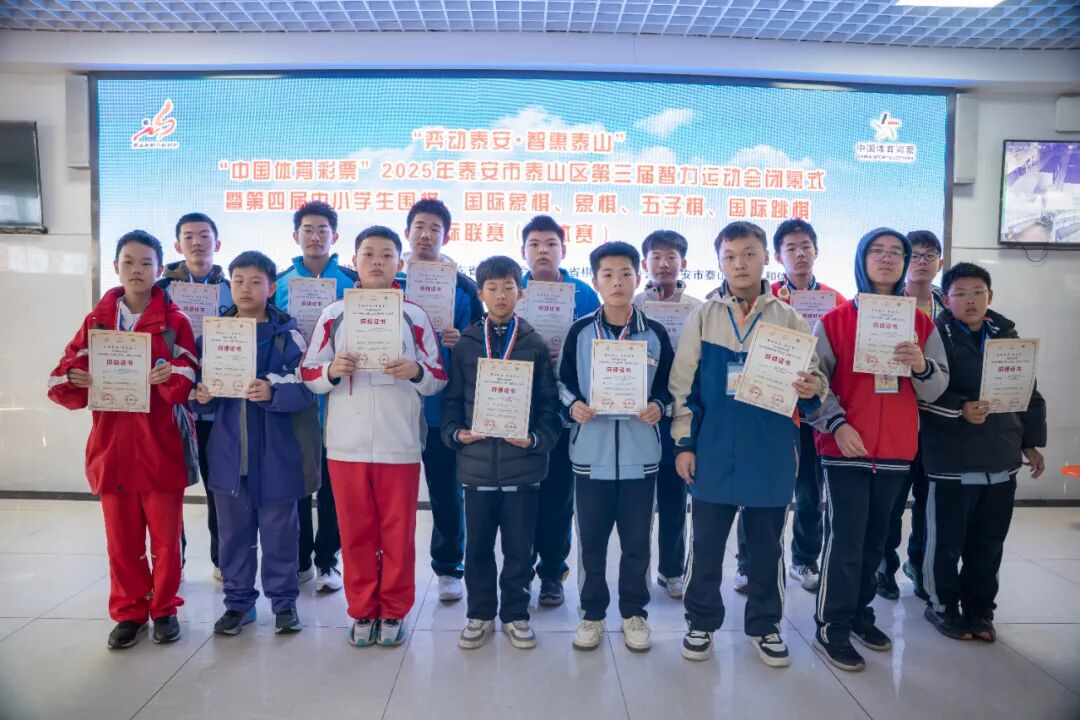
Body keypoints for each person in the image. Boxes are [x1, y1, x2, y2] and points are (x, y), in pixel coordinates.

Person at [669, 221, 827, 666]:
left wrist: (812, 386)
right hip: (713, 450)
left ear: (766, 259)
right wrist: (684, 444)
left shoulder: (789, 318)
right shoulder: (703, 317)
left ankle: (765, 624)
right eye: (730, 256)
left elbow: (815, 383)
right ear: (719, 262)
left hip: (770, 451)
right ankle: (701, 621)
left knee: (766, 547)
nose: (739, 264)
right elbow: (683, 388)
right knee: (706, 546)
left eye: (749, 254)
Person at [48, 230, 199, 649]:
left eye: (146, 263)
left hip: (160, 446)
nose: (137, 270)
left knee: (166, 542)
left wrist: (170, 375)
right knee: (122, 542)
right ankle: (129, 611)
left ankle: (164, 608)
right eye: (128, 262)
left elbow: (189, 374)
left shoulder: (176, 323)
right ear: (116, 267)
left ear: (159, 268)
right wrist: (74, 377)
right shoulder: (97, 322)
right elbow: (61, 377)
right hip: (112, 447)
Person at [809, 228, 949, 672]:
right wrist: (837, 425)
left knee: (876, 541)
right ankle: (831, 625)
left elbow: (937, 387)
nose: (887, 259)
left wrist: (921, 366)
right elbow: (812, 385)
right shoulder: (833, 321)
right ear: (861, 258)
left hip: (895, 450)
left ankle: (858, 614)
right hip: (845, 448)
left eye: (896, 253)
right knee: (845, 540)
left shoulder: (921, 324)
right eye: (877, 251)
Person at [302, 225, 447, 647]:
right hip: (345, 445)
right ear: (355, 262)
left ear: (399, 263)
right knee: (355, 531)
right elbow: (309, 372)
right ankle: (363, 609)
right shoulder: (334, 313)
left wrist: (415, 371)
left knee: (397, 532)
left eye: (386, 255)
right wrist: (332, 371)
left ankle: (395, 609)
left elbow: (438, 376)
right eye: (368, 254)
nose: (377, 262)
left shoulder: (413, 314)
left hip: (398, 442)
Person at [919, 262, 1046, 642]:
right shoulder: (934, 336)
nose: (970, 300)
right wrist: (960, 408)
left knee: (988, 544)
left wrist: (1030, 443)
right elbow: (922, 394)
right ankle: (942, 606)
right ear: (946, 300)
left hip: (1001, 459)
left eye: (978, 292)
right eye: (960, 294)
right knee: (945, 544)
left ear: (990, 296)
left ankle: (980, 611)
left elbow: (1028, 392)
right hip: (951, 461)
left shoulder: (1007, 336)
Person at [558, 241, 674, 653]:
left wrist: (659, 406)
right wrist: (573, 406)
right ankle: (592, 614)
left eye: (626, 273)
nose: (618, 282)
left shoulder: (655, 333)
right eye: (608, 274)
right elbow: (561, 384)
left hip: (642, 458)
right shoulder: (579, 331)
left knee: (637, 542)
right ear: (595, 281)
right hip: (591, 457)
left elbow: (671, 388)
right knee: (591, 543)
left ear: (638, 278)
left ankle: (633, 613)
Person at [194, 251, 318, 636]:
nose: (245, 289)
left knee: (281, 535)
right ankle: (238, 604)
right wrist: (201, 396)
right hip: (228, 456)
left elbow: (308, 388)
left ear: (272, 287)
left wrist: (272, 391)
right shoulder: (213, 336)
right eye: (238, 281)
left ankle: (284, 604)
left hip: (278, 456)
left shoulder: (287, 337)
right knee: (233, 536)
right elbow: (199, 394)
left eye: (255, 281)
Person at [442, 256, 562, 650]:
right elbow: (453, 400)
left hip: (523, 469)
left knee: (519, 550)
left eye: (508, 287)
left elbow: (548, 405)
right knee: (477, 549)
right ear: (480, 293)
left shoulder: (533, 343)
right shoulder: (467, 343)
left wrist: (536, 439)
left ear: (520, 292)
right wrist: (456, 434)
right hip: (476, 469)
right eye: (492, 288)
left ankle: (515, 614)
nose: (500, 295)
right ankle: (479, 614)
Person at [395, 199, 484, 602]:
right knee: (393, 495)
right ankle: (391, 567)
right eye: (419, 227)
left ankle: (449, 566)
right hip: (393, 405)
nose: (426, 235)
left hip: (441, 408)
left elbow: (481, 342)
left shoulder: (463, 286)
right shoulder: (388, 282)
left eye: (435, 228)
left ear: (446, 236)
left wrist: (460, 340)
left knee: (446, 492)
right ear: (407, 232)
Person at [520, 214, 601, 606]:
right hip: (519, 410)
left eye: (551, 244)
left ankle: (552, 573)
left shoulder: (584, 294)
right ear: (523, 251)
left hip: (566, 413)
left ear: (563, 250)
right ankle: (520, 571)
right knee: (521, 498)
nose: (543, 251)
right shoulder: (511, 290)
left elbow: (598, 351)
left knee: (558, 498)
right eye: (534, 244)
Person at [275, 200, 356, 593]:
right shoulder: (279, 283)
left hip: (339, 400)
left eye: (323, 229)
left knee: (332, 487)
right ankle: (301, 559)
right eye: (308, 229)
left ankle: (328, 560)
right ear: (296, 235)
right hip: (295, 400)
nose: (315, 236)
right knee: (297, 483)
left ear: (334, 236)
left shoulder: (353, 284)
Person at [156, 212, 232, 579]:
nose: (197, 243)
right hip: (172, 408)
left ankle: (222, 560)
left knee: (221, 489)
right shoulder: (160, 292)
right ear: (177, 245)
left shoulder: (233, 290)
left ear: (217, 244)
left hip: (218, 409)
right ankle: (175, 561)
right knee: (170, 489)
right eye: (189, 237)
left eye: (204, 236)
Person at [877, 229, 948, 601]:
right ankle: (883, 567)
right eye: (914, 255)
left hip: (940, 422)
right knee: (890, 502)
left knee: (928, 501)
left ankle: (918, 565)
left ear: (940, 262)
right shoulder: (885, 306)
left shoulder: (950, 307)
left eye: (929, 255)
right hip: (896, 417)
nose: (921, 262)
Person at [631, 229, 702, 599]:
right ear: (645, 264)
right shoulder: (632, 305)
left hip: (679, 413)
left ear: (683, 263)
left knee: (675, 497)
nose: (663, 263)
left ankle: (672, 570)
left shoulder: (697, 308)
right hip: (639, 413)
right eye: (656, 256)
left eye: (671, 256)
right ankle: (637, 570)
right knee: (639, 502)